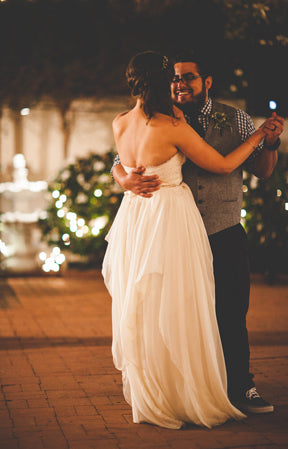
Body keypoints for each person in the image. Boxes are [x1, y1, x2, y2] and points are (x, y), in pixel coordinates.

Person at [102, 51, 277, 429]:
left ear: (207, 81)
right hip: (172, 226)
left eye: (188, 78)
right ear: (163, 81)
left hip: (180, 224)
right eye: (174, 78)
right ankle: (189, 390)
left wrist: (266, 141)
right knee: (179, 310)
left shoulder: (124, 120)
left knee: (216, 312)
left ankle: (229, 387)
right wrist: (122, 175)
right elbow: (223, 164)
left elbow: (262, 169)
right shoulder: (170, 123)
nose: (180, 84)